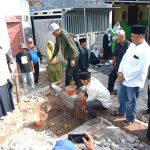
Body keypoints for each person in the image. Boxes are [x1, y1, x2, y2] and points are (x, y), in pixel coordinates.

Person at [117, 25, 150, 126]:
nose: (131, 38)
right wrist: (119, 72)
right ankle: (121, 110)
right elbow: (124, 59)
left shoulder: (146, 50)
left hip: (133, 80)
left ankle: (130, 118)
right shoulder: (132, 45)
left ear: (141, 37)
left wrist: (125, 77)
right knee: (120, 95)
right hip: (122, 77)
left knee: (131, 100)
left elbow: (140, 69)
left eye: (133, 36)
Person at [49, 23, 82, 89]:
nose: (53, 34)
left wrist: (73, 59)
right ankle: (80, 87)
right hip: (69, 57)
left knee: (68, 72)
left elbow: (74, 48)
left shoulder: (65, 36)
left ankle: (66, 86)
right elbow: (56, 47)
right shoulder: (57, 36)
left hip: (74, 56)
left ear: (57, 30)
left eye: (53, 33)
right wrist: (52, 57)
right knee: (75, 74)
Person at [108, 29, 131, 95]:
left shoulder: (129, 45)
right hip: (118, 65)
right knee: (111, 76)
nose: (116, 39)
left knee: (121, 82)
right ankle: (110, 90)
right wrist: (112, 64)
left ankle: (122, 93)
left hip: (125, 68)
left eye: (117, 38)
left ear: (122, 37)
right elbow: (115, 55)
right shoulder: (118, 44)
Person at [0, 46, 15, 119]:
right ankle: (3, 113)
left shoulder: (2, 53)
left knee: (7, 92)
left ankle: (7, 109)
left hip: (4, 77)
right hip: (3, 78)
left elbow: (9, 62)